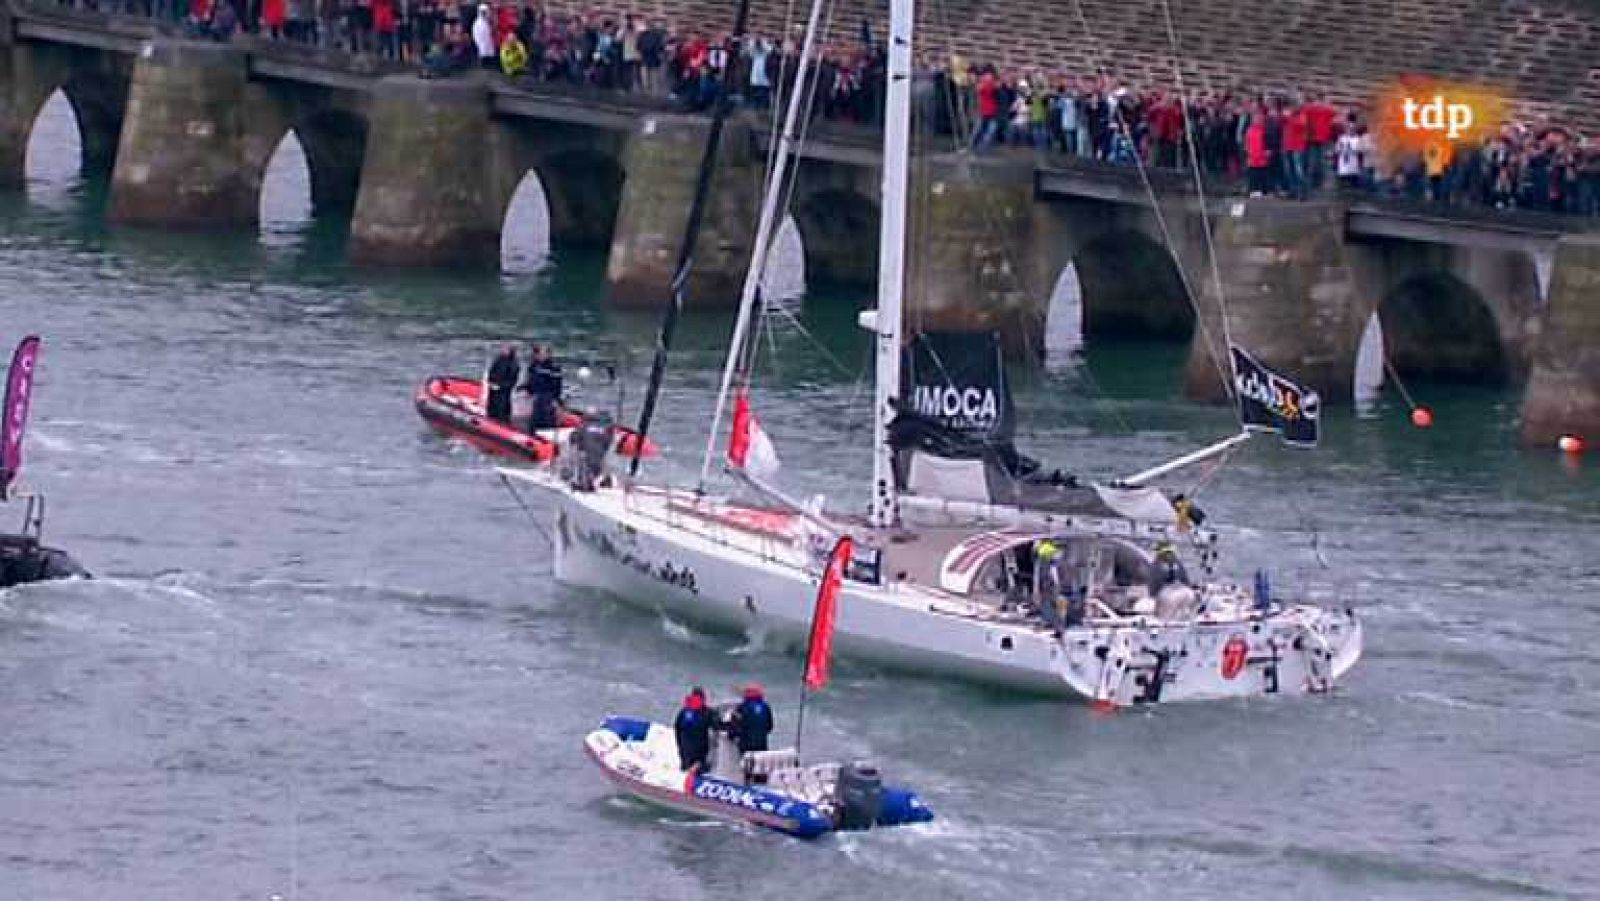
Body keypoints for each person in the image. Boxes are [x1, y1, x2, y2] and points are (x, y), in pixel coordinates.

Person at [731, 683, 774, 783]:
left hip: (746, 745)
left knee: (748, 769)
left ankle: (747, 784)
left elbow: (735, 726)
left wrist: (733, 735)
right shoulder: (765, 707)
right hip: (762, 744)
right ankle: (762, 784)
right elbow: (770, 726)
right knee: (761, 769)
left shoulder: (742, 708)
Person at [520, 344, 564, 431]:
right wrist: (526, 389)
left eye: (541, 353)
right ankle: (532, 432)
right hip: (538, 395)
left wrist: (556, 401)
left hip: (548, 396)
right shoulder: (534, 365)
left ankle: (545, 435)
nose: (538, 356)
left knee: (545, 418)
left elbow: (557, 386)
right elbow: (531, 380)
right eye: (537, 353)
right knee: (535, 419)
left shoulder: (553, 367)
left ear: (548, 354)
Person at [673, 686, 712, 773]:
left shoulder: (684, 711)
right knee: (701, 768)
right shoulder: (707, 712)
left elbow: (676, 726)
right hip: (700, 748)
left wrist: (679, 743)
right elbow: (716, 725)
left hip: (685, 747)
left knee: (686, 767)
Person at [484, 343, 519, 425]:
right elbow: (492, 371)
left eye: (505, 349)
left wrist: (499, 386)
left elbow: (512, 381)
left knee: (502, 409)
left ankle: (503, 423)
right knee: (491, 406)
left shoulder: (514, 364)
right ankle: (490, 420)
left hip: (503, 392)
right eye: (503, 348)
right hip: (493, 388)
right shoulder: (499, 359)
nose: (502, 350)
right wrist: (490, 382)